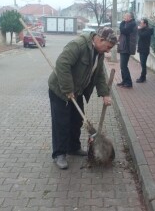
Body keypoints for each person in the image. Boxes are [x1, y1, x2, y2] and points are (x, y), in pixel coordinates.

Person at [48, 27, 118, 169]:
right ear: (100, 40)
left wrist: (105, 93)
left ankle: (73, 148)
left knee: (77, 121)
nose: (108, 51)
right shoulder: (78, 45)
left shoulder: (99, 53)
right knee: (61, 123)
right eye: (108, 47)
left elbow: (98, 75)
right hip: (60, 91)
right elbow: (62, 64)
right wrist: (67, 89)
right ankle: (59, 154)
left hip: (77, 91)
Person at [117, 12, 137, 88]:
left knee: (124, 66)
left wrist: (122, 23)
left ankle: (128, 83)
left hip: (127, 48)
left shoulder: (132, 24)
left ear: (130, 18)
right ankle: (124, 81)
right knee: (122, 66)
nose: (124, 17)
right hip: (123, 47)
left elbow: (123, 30)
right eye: (124, 16)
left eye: (126, 16)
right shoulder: (127, 24)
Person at [136, 18, 153, 83]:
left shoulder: (148, 30)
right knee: (142, 64)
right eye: (140, 23)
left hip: (145, 50)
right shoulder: (143, 30)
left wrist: (139, 29)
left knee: (143, 64)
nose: (140, 24)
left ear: (145, 24)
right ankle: (143, 77)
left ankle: (142, 77)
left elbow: (141, 35)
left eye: (141, 23)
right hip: (141, 49)